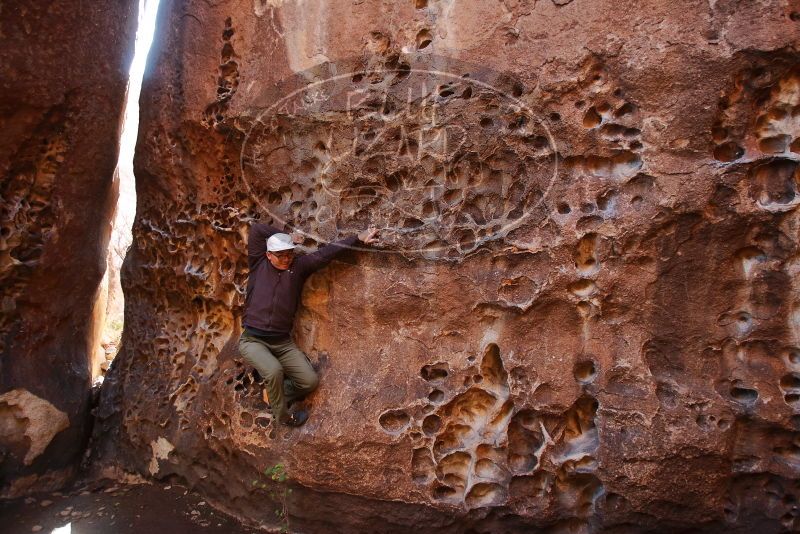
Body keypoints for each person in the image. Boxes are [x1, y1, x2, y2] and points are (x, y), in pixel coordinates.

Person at [238, 221, 379, 427]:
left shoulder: (298, 267)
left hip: (282, 343)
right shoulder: (258, 263)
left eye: (290, 254)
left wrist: (357, 238)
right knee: (274, 370)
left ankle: (275, 392)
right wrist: (287, 235)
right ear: (269, 255)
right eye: (281, 255)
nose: (287, 259)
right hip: (253, 340)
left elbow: (326, 254)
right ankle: (284, 417)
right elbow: (258, 229)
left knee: (309, 381)